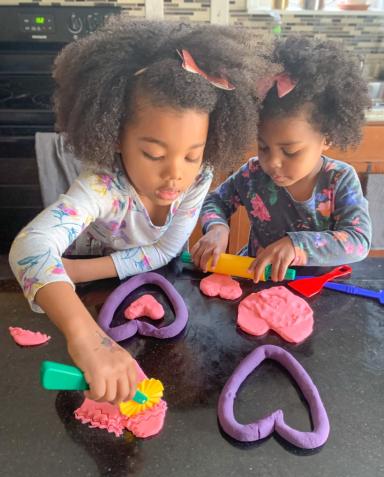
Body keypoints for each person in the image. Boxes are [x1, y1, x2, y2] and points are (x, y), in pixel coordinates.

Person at [9, 18, 274, 404]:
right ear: (115, 137)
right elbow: (30, 247)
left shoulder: (198, 179)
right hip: (75, 297)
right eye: (153, 154)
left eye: (192, 155)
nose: (174, 175)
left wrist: (83, 270)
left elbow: (167, 249)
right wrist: (89, 341)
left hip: (115, 279)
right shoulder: (101, 188)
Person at [192, 36, 372, 283]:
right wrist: (217, 228)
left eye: (290, 151)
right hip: (256, 280)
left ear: (327, 138)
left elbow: (358, 240)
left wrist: (296, 245)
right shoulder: (252, 174)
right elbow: (215, 200)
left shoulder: (339, 180)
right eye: (264, 147)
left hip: (320, 290)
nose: (272, 162)